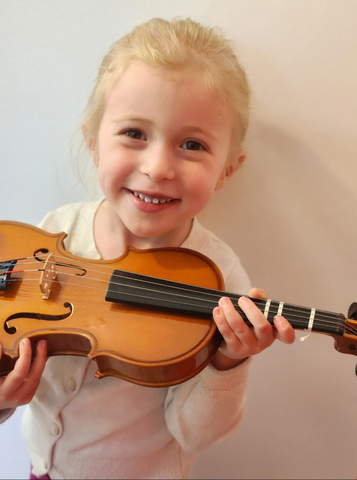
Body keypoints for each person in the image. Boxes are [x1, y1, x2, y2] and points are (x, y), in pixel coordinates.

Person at [0, 17, 295, 479]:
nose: (157, 167)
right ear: (93, 142)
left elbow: (195, 435)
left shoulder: (218, 277)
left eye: (192, 144)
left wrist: (227, 361)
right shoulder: (52, 233)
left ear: (226, 171)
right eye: (134, 133)